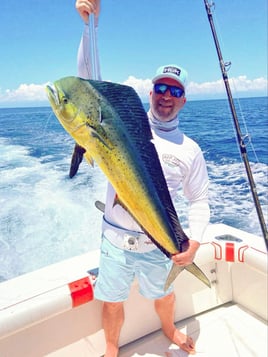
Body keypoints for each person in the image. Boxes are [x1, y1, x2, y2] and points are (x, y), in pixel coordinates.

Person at [75, 1, 210, 356]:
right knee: (112, 300)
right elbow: (88, 84)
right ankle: (110, 347)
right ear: (150, 92)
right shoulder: (124, 126)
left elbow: (199, 200)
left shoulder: (190, 149)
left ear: (184, 100)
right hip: (116, 240)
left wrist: (193, 242)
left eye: (176, 91)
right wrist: (91, 26)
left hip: (157, 245)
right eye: (161, 89)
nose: (167, 96)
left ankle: (169, 328)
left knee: (164, 294)